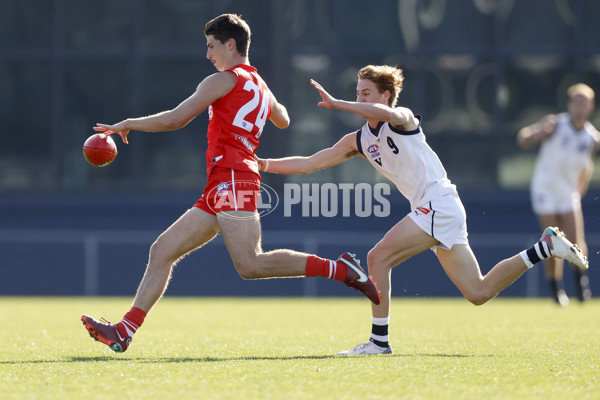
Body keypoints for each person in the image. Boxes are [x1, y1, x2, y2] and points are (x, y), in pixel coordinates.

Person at [80, 14, 380, 354]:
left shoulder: (222, 79)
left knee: (250, 264)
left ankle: (341, 269)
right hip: (223, 180)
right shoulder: (260, 86)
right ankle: (125, 330)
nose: (208, 55)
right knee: (162, 250)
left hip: (233, 177)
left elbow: (177, 118)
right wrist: (261, 102)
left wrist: (130, 123)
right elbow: (284, 119)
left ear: (230, 44)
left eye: (211, 46)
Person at [258, 65, 589, 355]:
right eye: (357, 93)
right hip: (438, 208)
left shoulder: (403, 118)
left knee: (377, 258)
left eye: (366, 93)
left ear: (387, 96)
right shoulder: (357, 140)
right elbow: (308, 164)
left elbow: (391, 116)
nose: (359, 99)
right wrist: (261, 163)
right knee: (478, 292)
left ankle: (378, 342)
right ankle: (544, 248)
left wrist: (336, 103)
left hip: (438, 204)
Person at [517, 83, 598, 306]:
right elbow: (523, 137)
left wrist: (581, 186)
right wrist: (536, 135)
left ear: (590, 106)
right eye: (575, 101)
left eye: (584, 102)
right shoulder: (555, 124)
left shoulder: (592, 138)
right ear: (570, 104)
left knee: (576, 240)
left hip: (568, 193)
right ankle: (556, 288)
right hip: (545, 190)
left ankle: (581, 284)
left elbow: (587, 165)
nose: (579, 106)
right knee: (553, 242)